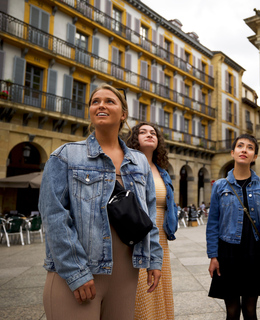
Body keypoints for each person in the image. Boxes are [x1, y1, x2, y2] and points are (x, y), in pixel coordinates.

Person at [39, 84, 163, 320]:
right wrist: (76, 272)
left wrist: (154, 259)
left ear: (123, 114)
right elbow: (54, 217)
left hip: (126, 275)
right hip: (77, 275)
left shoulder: (139, 162)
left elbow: (148, 217)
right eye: (95, 101)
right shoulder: (64, 156)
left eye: (109, 101)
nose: (101, 105)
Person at [206, 134, 260, 320]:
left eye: (250, 147)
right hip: (227, 252)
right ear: (233, 152)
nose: (244, 149)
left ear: (254, 156)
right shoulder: (220, 186)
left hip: (255, 252)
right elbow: (213, 223)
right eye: (240, 146)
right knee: (231, 311)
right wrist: (213, 256)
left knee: (250, 309)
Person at [126, 122, 178, 320]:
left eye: (153, 133)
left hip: (161, 238)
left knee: (159, 286)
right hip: (137, 235)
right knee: (140, 288)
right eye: (143, 132)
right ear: (134, 139)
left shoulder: (161, 171)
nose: (149, 135)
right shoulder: (128, 165)